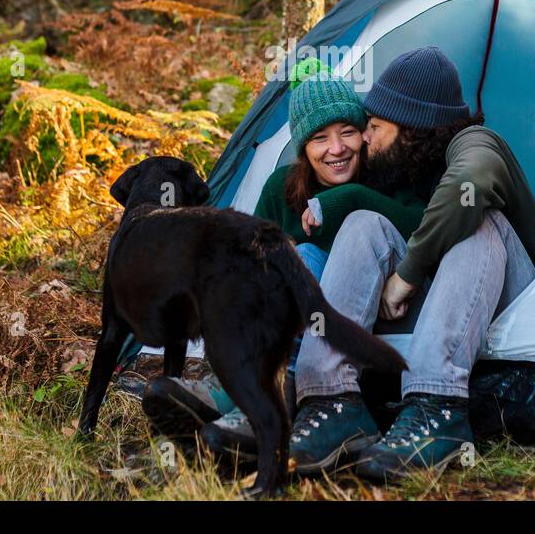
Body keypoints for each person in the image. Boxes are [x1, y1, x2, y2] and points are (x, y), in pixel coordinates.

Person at [288, 46, 535, 481]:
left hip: (520, 316)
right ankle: (330, 399)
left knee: (476, 216)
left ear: (410, 125)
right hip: (452, 320)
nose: (366, 138)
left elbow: (470, 182)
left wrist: (406, 276)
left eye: (374, 126)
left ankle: (437, 408)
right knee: (363, 224)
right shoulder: (401, 170)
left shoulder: (475, 142)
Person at [142, 62, 427, 457]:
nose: (337, 149)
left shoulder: (386, 173)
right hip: (299, 334)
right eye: (320, 139)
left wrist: (351, 201)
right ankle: (233, 397)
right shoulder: (282, 189)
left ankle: (253, 400)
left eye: (347, 132)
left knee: (304, 255)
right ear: (303, 150)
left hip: (373, 330)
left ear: (363, 135)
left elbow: (421, 228)